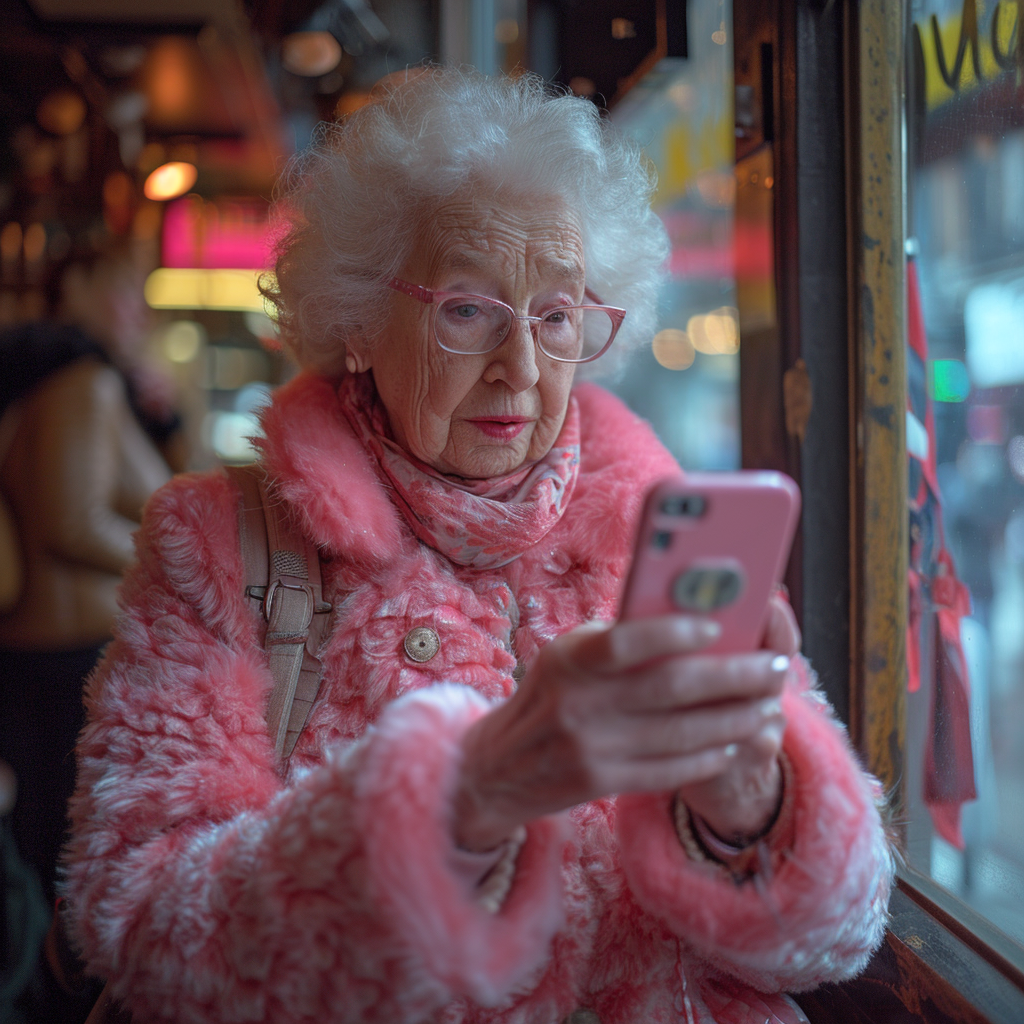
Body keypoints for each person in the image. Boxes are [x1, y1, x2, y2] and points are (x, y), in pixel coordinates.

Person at [63, 69, 893, 1024]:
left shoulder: (656, 538)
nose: (523, 367)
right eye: (468, 309)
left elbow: (837, 930)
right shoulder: (224, 544)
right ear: (362, 322)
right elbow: (141, 924)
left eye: (556, 315)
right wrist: (469, 797)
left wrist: (746, 807)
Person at [0, 245, 179, 913]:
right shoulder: (81, 378)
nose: (142, 311)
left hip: (48, 658)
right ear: (76, 285)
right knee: (60, 866)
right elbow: (71, 522)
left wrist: (166, 415)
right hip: (60, 665)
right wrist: (181, 560)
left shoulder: (67, 376)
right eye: (128, 288)